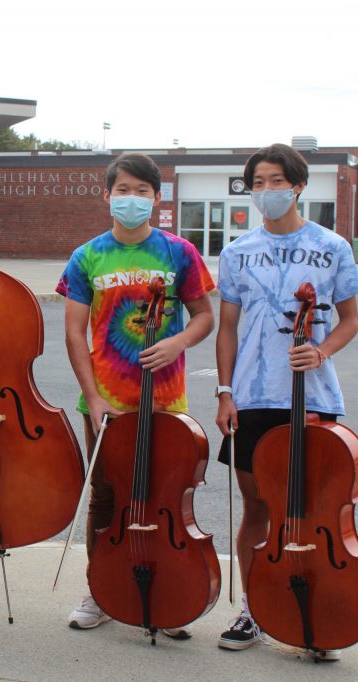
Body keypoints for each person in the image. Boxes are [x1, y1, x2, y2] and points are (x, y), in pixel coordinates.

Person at [56, 152, 214, 638]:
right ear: (107, 196)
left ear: (157, 198)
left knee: (163, 498)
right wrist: (94, 397)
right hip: (108, 402)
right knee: (105, 499)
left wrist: (177, 342)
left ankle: (166, 595)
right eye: (122, 190)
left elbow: (204, 316)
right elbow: (73, 334)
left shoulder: (178, 253)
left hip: (166, 403)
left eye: (142, 191)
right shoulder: (88, 256)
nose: (132, 199)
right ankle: (100, 590)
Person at [214, 143, 358, 660]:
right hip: (252, 396)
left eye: (278, 181)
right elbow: (227, 328)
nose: (267, 191)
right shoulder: (236, 252)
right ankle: (253, 609)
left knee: (313, 510)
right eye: (259, 182)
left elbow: (351, 317)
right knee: (258, 508)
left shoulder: (333, 246)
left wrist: (320, 351)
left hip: (312, 397)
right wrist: (225, 390)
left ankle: (316, 612)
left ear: (299, 186)